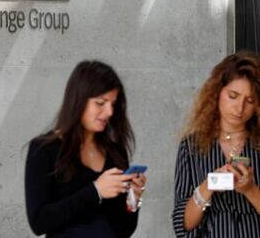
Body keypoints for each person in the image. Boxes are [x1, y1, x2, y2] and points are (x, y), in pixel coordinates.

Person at [25, 60, 147, 238]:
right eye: (100, 103)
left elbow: (124, 230)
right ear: (78, 99)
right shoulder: (43, 150)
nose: (109, 112)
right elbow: (39, 222)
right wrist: (95, 190)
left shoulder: (115, 152)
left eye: (112, 104)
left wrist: (133, 200)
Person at [172, 51, 260, 237]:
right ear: (217, 92)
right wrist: (208, 186)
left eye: (250, 100)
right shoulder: (191, 146)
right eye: (233, 96)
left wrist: (250, 190)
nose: (239, 108)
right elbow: (183, 224)